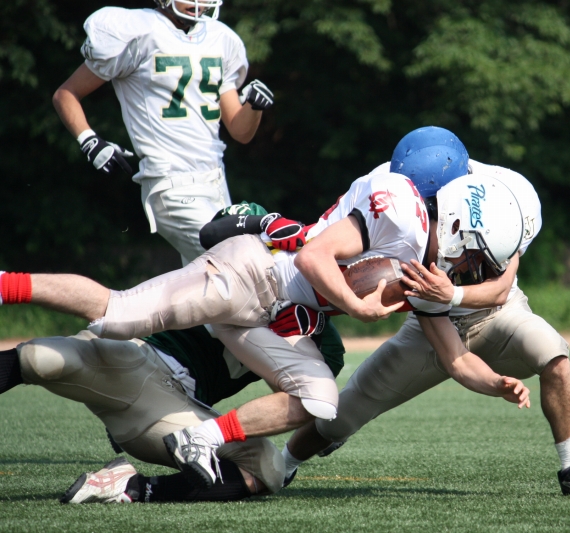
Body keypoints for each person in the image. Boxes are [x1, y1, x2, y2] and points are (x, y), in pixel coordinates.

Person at [0, 168, 531, 490]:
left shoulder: (429, 274)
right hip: (254, 273)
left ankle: (201, 438)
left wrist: (497, 384)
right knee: (118, 316)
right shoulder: (402, 211)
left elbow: (456, 358)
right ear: (458, 225)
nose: (470, 269)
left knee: (320, 398)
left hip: (265, 317)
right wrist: (359, 307)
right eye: (475, 257)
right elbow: (314, 258)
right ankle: (8, 284)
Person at [281, 126, 570, 497]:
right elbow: (450, 350)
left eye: (427, 200)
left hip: (494, 311)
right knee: (342, 414)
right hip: (430, 318)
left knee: (554, 354)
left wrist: (453, 292)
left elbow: (500, 289)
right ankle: (279, 465)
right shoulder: (397, 190)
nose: (421, 206)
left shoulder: (510, 197)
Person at [0, 322, 344, 503]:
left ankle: (132, 487)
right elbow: (215, 231)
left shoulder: (326, 342)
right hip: (135, 354)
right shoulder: (266, 245)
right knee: (37, 359)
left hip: (166, 409)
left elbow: (304, 402)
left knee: (268, 469)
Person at [52, 0, 274, 263]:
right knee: (242, 265)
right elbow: (66, 93)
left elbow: (240, 131)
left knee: (211, 284)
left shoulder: (222, 39)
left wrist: (254, 106)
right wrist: (89, 139)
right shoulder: (138, 32)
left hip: (216, 182)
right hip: (171, 184)